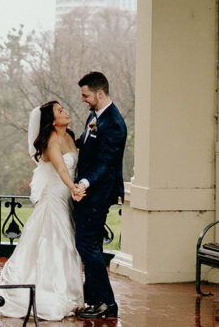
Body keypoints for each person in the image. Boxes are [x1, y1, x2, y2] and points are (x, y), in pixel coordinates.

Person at [0, 100, 85, 321]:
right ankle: (52, 292)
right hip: (54, 198)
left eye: (63, 108)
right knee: (57, 243)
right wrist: (73, 187)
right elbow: (62, 169)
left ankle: (70, 293)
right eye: (59, 110)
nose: (65, 111)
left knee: (68, 244)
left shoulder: (71, 137)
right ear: (52, 120)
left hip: (68, 199)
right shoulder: (52, 142)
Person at [72, 71, 127, 319]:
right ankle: (93, 298)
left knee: (87, 245)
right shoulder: (95, 116)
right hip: (88, 192)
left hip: (98, 193)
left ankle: (107, 302)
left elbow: (106, 163)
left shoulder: (114, 123)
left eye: (86, 95)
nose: (84, 99)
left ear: (99, 93)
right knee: (89, 245)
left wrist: (84, 182)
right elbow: (86, 145)